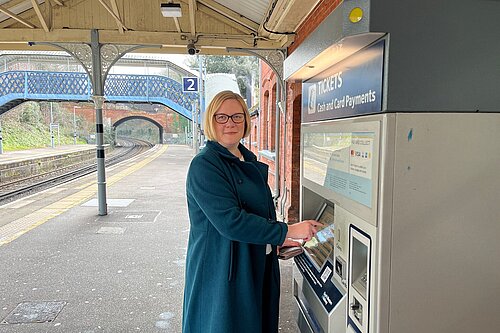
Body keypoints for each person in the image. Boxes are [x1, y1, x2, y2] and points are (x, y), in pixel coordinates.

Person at [182, 90, 322, 333]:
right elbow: (230, 222)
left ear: (246, 121)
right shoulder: (205, 165)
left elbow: (260, 213)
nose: (230, 124)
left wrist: (277, 240)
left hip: (255, 260)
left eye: (237, 117)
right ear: (211, 122)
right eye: (222, 117)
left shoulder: (247, 159)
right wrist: (286, 230)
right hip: (223, 269)